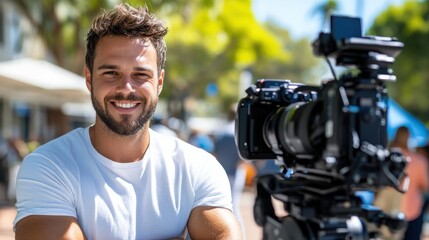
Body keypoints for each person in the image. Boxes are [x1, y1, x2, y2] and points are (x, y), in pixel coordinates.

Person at [13, 4, 242, 240]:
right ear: (90, 79)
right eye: (111, 73)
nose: (126, 88)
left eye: (140, 75)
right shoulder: (48, 165)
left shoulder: (197, 167)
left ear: (159, 82)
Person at [375, 126, 429, 240]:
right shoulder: (419, 160)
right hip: (412, 209)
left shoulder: (385, 156)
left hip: (387, 208)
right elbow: (425, 185)